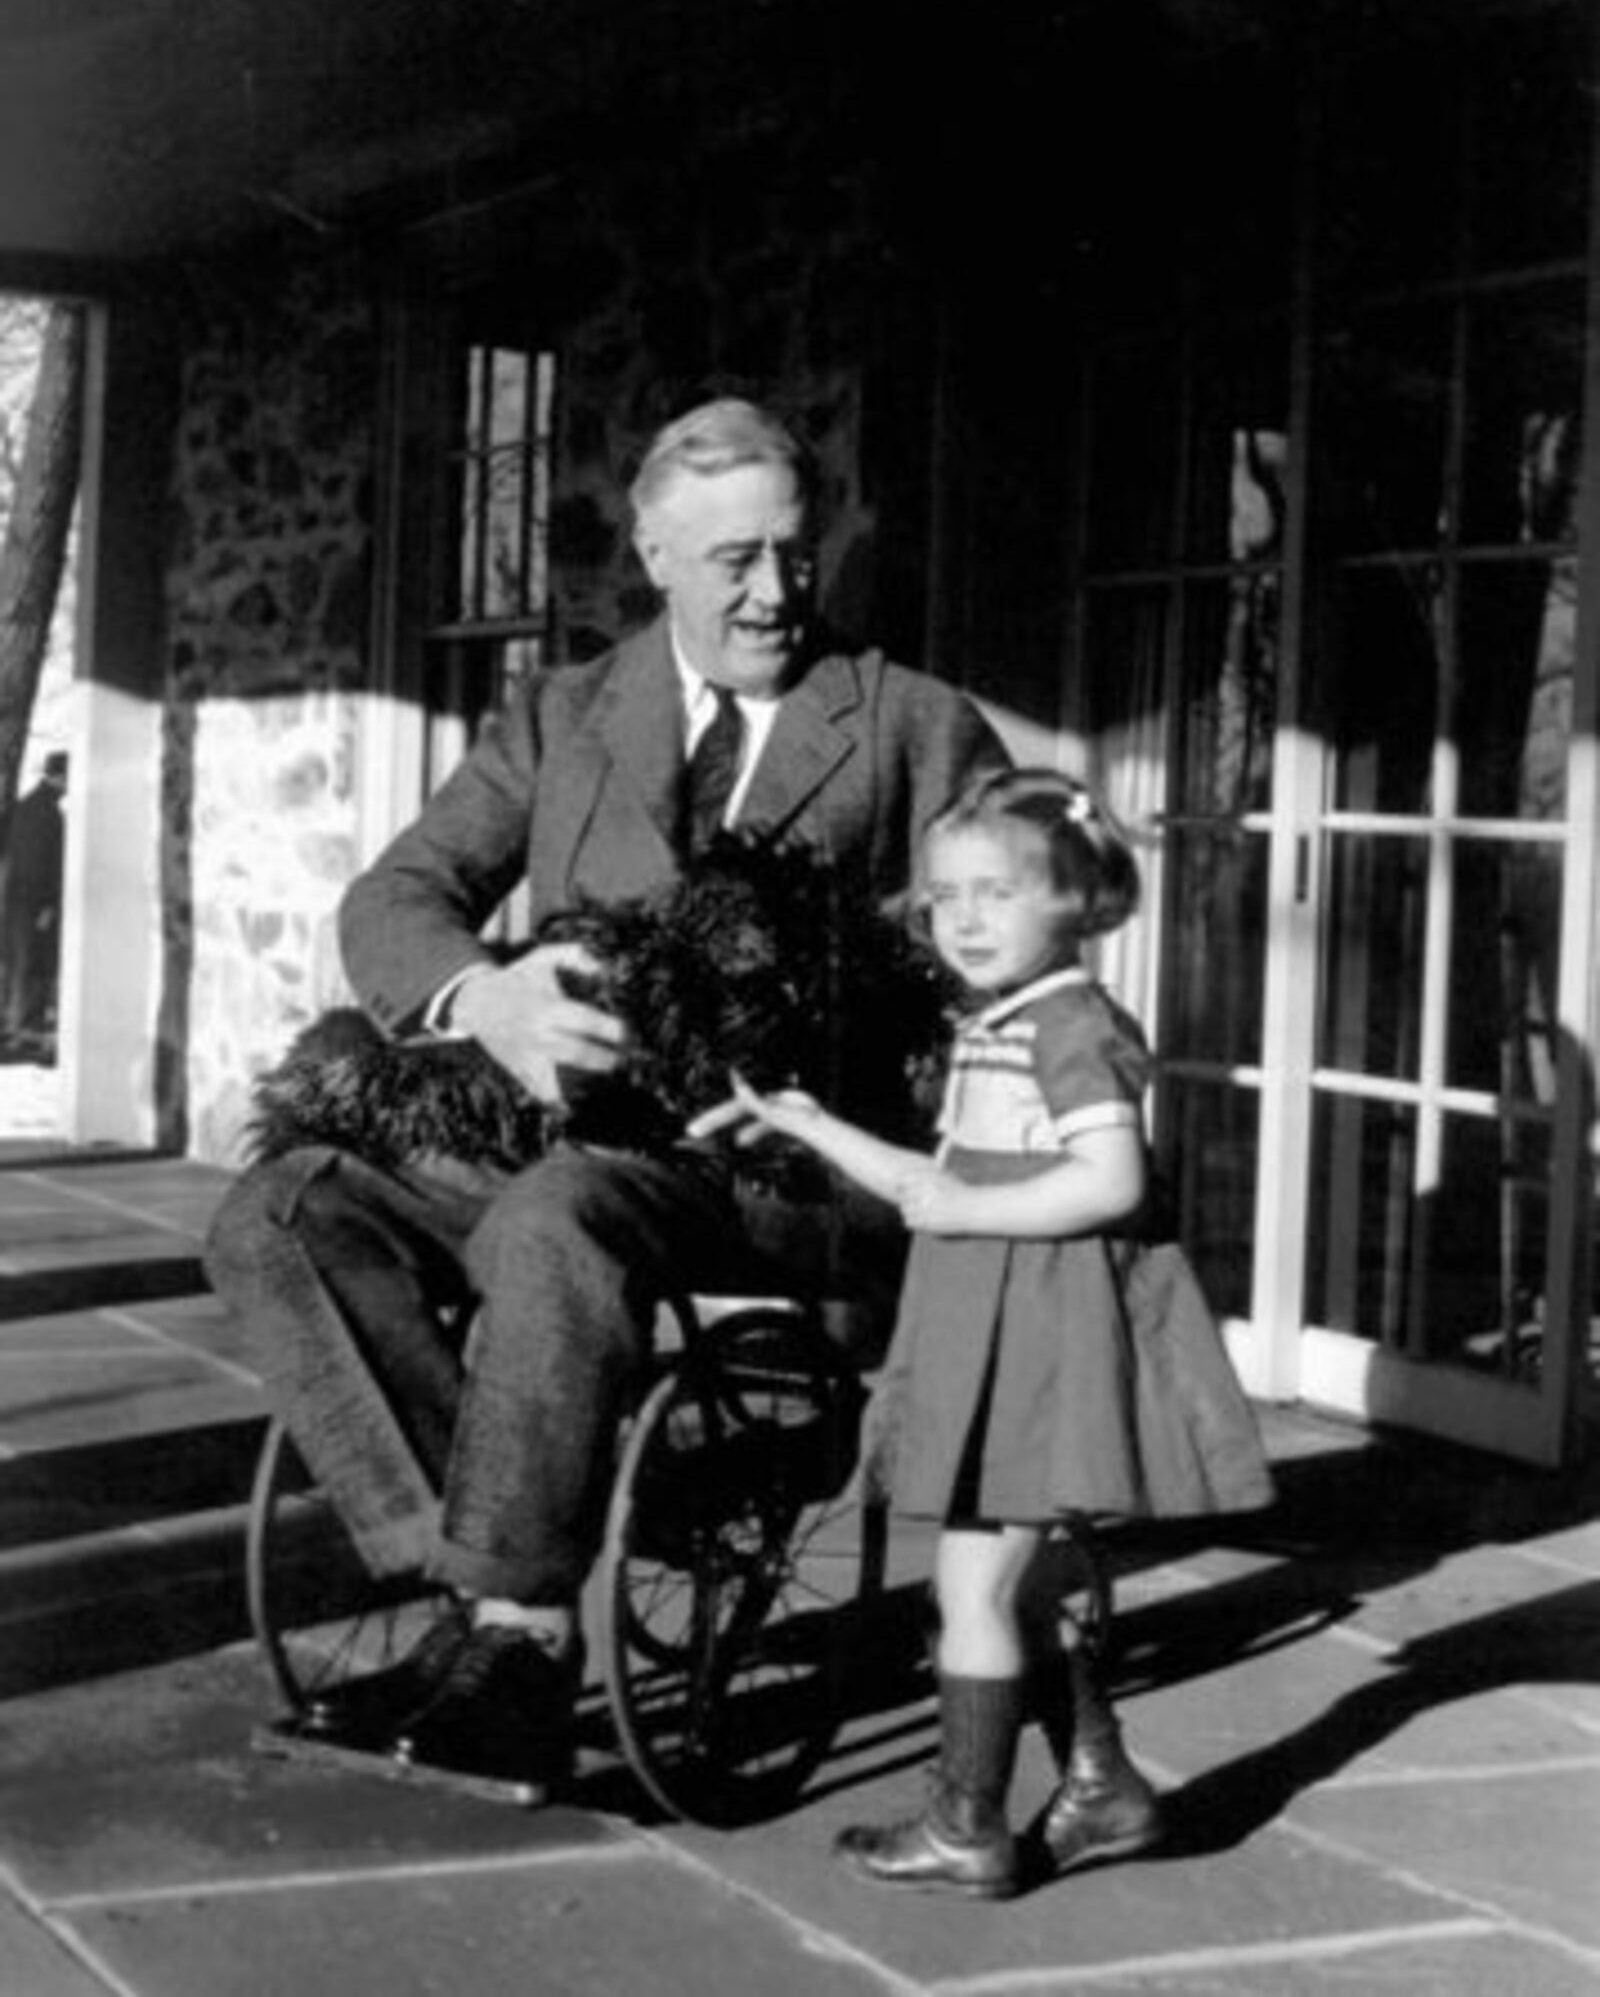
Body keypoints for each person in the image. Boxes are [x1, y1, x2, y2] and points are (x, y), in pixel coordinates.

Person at [203, 396, 1009, 1802]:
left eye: (795, 555)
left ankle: (517, 1635)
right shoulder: (566, 711)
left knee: (554, 1217)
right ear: (653, 553)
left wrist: (867, 1086)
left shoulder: (912, 726)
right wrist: (486, 1000)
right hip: (559, 1133)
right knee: (282, 1207)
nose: (775, 592)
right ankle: (476, 1580)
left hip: (781, 1168)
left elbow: (998, 968)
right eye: (734, 562)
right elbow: (395, 894)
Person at [706, 766, 1273, 1898]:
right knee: (1013, 1587)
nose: (963, 918)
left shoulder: (1071, 1025)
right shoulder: (1000, 1020)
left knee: (971, 1590)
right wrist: (811, 1127)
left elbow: (1109, 1181)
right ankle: (1103, 1787)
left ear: (1079, 900)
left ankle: (968, 1823)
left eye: (997, 894)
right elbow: (936, 1181)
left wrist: (969, 1208)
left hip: (1042, 1345)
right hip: (991, 1330)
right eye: (944, 897)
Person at [2, 749, 67, 1056]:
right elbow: (44, 864)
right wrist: (48, 906)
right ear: (60, 777)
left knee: (17, 962)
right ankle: (26, 1032)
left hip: (16, 900)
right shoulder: (50, 815)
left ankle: (13, 1024)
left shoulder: (24, 806)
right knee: (35, 967)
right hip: (36, 902)